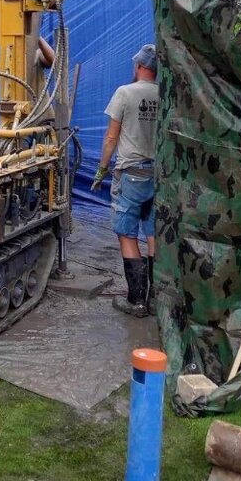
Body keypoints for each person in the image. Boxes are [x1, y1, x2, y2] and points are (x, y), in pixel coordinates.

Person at [92, 44, 159, 317]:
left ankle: (137, 301)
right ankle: (156, 299)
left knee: (126, 233)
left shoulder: (125, 93)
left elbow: (111, 137)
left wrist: (102, 169)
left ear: (140, 67)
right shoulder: (166, 95)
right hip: (160, 175)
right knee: (153, 234)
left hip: (131, 174)